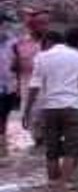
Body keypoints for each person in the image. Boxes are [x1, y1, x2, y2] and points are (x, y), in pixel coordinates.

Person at [23, 27, 78, 185]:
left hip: (49, 108)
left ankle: (52, 184)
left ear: (49, 42)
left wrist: (26, 111)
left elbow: (34, 85)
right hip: (72, 106)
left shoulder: (42, 57)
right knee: (72, 148)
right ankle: (63, 186)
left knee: (52, 150)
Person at [12, 10, 50, 148]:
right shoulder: (19, 44)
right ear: (31, 26)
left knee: (48, 122)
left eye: (47, 23)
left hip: (50, 88)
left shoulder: (53, 43)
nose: (45, 27)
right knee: (32, 121)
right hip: (27, 86)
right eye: (41, 24)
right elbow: (14, 67)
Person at [0, 13, 18, 139]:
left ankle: (3, 136)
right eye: (5, 24)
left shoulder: (13, 42)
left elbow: (18, 61)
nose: (7, 27)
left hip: (10, 83)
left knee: (5, 112)